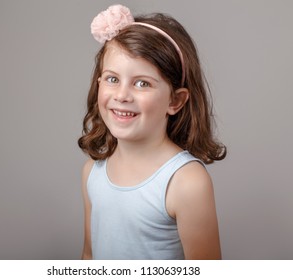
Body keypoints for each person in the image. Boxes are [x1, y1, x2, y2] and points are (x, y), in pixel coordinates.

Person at [78, 4, 226, 260]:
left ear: (175, 101)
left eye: (142, 83)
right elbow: (89, 256)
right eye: (113, 79)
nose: (122, 95)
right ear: (99, 83)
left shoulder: (186, 182)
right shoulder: (92, 172)